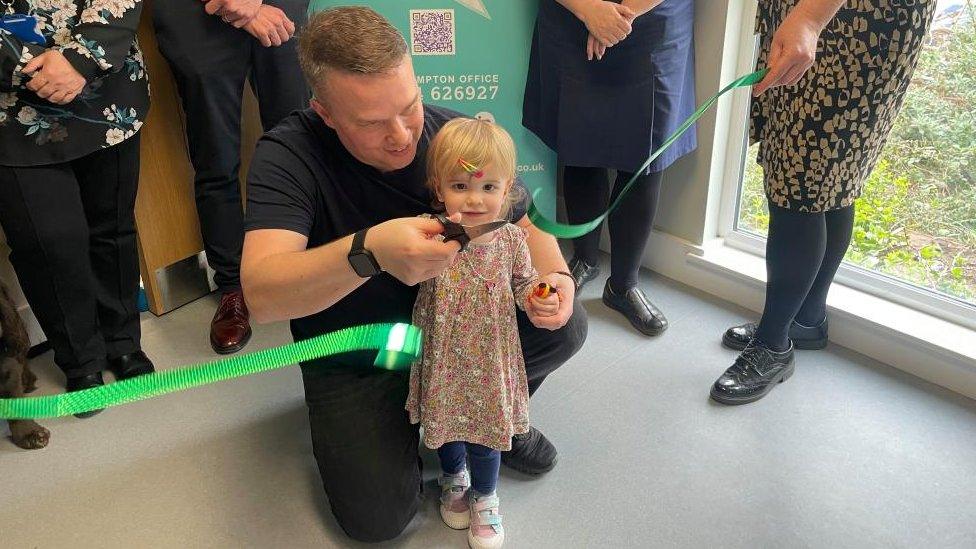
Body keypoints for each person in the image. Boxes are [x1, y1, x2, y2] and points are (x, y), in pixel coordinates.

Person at [240, 7, 587, 542]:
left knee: (566, 326)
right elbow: (262, 295)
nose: (402, 136)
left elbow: (525, 221)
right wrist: (369, 251)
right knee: (377, 520)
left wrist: (556, 282)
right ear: (326, 113)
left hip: (458, 340)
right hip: (365, 353)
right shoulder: (288, 157)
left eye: (409, 106)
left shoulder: (451, 138)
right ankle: (434, 423)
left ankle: (489, 419)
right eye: (372, 123)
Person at [710, 0, 937, 405]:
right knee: (831, 178)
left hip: (853, 26)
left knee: (800, 183)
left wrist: (810, 18)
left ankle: (774, 344)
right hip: (830, 20)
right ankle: (804, 319)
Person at [406, 118, 562, 549]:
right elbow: (404, 273)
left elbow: (524, 284)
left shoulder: (512, 240)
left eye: (488, 188)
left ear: (508, 188)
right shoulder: (427, 232)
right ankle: (454, 480)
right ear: (438, 187)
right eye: (460, 186)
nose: (475, 199)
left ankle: (485, 495)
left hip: (490, 359)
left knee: (486, 429)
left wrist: (539, 295)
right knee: (448, 425)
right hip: (442, 355)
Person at [0, 0, 154, 418]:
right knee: (48, 245)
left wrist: (78, 59)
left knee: (112, 227)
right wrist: (30, 66)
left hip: (104, 90)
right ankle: (80, 360)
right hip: (10, 112)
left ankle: (123, 343)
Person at [522, 0, 696, 336]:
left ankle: (623, 285)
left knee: (646, 157)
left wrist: (619, 17)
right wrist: (588, 10)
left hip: (652, 19)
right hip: (570, 17)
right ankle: (585, 258)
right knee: (578, 142)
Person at [153, 0, 309, 354]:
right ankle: (233, 287)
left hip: (279, 6)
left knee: (299, 148)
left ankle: (307, 263)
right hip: (195, 14)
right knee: (216, 160)